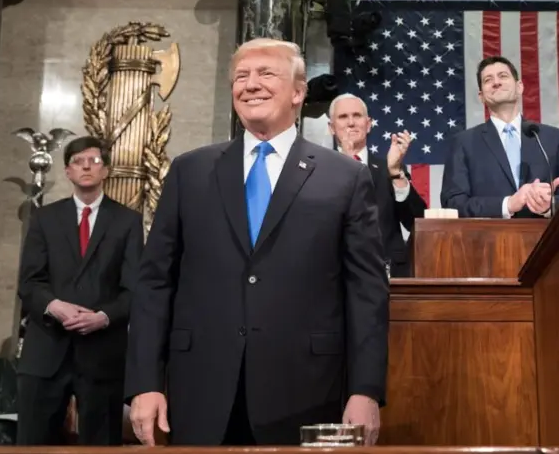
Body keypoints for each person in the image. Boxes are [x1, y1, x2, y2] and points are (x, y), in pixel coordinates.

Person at [125, 38, 389, 446]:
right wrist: (145, 383)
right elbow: (155, 283)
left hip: (306, 391)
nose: (251, 84)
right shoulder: (189, 171)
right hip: (199, 388)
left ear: (299, 92)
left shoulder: (345, 178)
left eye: (266, 73)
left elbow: (366, 291)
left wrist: (365, 390)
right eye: (241, 76)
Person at [16, 136, 144, 445]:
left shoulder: (128, 221)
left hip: (102, 353)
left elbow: (135, 289)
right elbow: (29, 283)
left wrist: (103, 317)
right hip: (46, 350)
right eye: (78, 162)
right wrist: (55, 306)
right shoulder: (44, 219)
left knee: (101, 444)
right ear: (68, 171)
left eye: (94, 161)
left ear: (106, 170)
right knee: (32, 443)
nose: (86, 167)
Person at [440, 56, 559, 218]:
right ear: (481, 96)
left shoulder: (553, 138)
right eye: (488, 80)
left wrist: (550, 206)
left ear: (519, 87)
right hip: (487, 241)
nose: (496, 82)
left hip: (547, 239)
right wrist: (508, 204)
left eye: (503, 76)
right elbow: (453, 203)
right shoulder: (463, 143)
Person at [327, 93, 426, 278]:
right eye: (343, 117)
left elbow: (417, 221)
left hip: (386, 273)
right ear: (331, 127)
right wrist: (346, 168)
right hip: (334, 273)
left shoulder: (389, 168)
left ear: (369, 124)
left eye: (357, 116)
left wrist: (396, 173)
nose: (351, 123)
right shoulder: (320, 169)